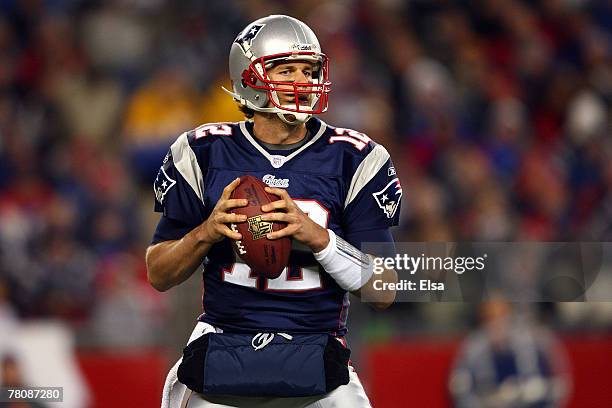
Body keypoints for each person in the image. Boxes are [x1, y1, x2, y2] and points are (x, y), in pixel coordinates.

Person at [146, 15, 401, 408]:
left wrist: (318, 238)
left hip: (317, 349)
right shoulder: (203, 151)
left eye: (309, 69)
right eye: (286, 69)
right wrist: (207, 232)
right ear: (249, 78)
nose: (303, 80)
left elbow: (384, 288)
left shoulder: (355, 157)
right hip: (223, 342)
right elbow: (158, 273)